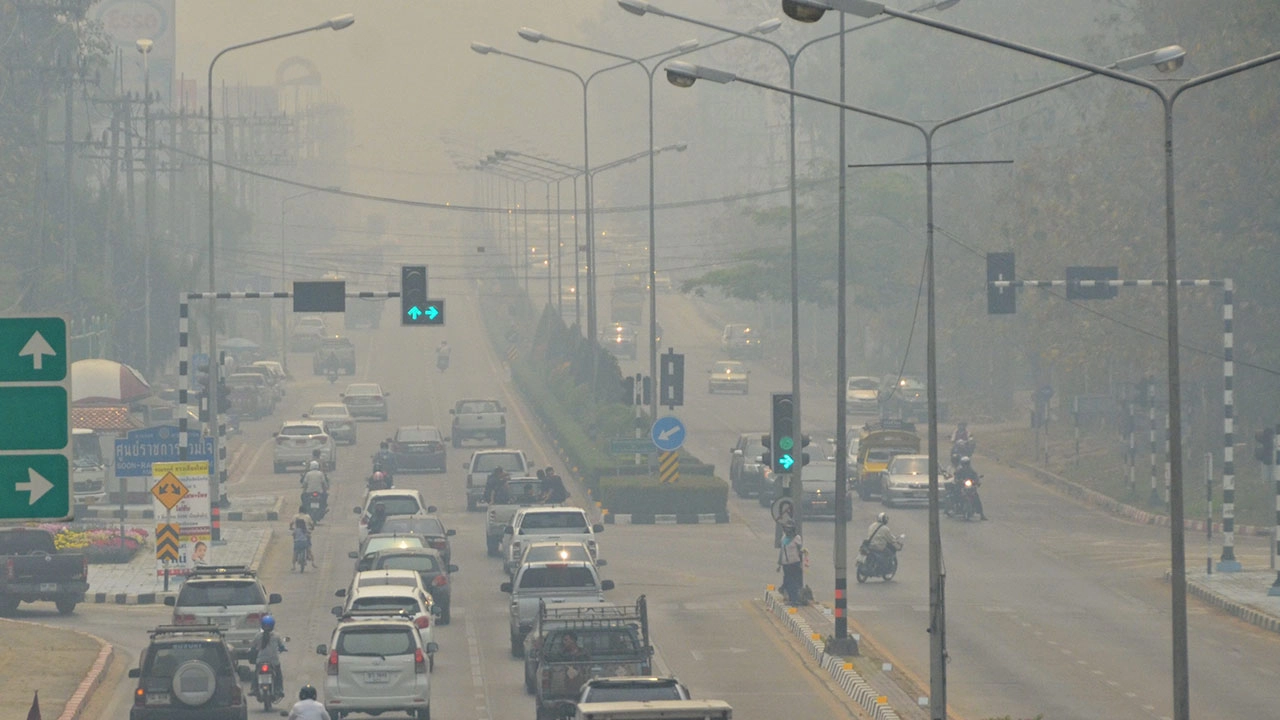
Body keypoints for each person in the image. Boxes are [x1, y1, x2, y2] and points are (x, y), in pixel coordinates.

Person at [249, 615, 286, 699]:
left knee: (256, 674)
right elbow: (281, 646)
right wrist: (283, 649)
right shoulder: (276, 636)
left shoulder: (258, 636)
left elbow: (253, 646)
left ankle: (254, 689)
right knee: (278, 675)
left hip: (260, 660)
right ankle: (279, 689)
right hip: (274, 661)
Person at [776, 520, 805, 605]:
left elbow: (800, 551)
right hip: (785, 564)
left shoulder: (797, 538)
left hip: (794, 563)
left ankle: (794, 599)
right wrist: (779, 564)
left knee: (793, 582)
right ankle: (789, 596)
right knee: (788, 580)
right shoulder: (784, 538)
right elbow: (782, 552)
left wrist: (801, 563)